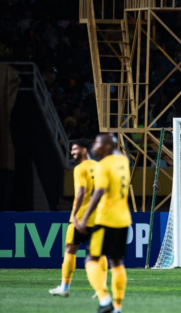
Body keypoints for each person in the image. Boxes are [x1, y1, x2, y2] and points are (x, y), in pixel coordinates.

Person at [76, 134, 131, 313]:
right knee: (117, 262)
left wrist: (84, 219)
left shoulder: (103, 165)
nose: (93, 147)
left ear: (107, 147)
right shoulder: (123, 160)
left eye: (97, 143)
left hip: (106, 219)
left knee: (90, 259)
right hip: (123, 219)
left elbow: (99, 193)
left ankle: (104, 299)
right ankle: (118, 307)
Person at [49, 140, 102, 297]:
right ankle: (101, 289)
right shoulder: (99, 167)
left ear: (84, 150)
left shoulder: (79, 169)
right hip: (98, 217)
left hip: (80, 218)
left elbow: (81, 192)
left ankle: (65, 287)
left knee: (69, 249)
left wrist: (74, 214)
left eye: (75, 149)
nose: (72, 152)